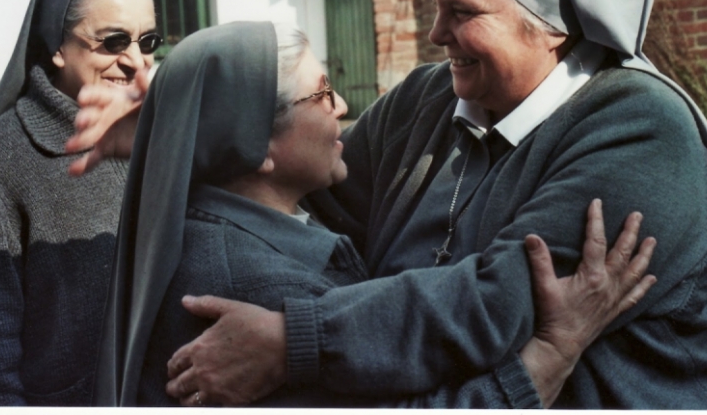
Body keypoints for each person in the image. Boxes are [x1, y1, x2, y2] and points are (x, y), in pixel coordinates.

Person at [154, 0, 707, 409]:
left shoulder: (638, 126)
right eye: (437, 7)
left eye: (461, 13)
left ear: (549, 27)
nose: (436, 34)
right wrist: (178, 131)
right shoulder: (427, 96)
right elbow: (307, 196)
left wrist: (296, 341)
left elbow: (502, 302)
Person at [89, 21, 656, 407]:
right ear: (255, 145)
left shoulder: (218, 234)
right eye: (322, 93)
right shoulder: (257, 287)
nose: (342, 107)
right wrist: (554, 352)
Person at [0, 0, 160, 406]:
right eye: (113, 41)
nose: (135, 61)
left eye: (148, 41)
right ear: (58, 47)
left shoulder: (168, 132)